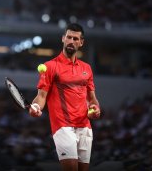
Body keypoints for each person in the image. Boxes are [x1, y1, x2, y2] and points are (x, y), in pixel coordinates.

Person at [29, 23, 101, 171]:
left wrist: (95, 108)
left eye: (75, 38)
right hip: (63, 126)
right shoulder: (50, 66)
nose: (71, 41)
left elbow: (92, 99)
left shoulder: (86, 68)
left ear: (81, 43)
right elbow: (41, 96)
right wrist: (36, 106)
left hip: (85, 127)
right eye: (69, 37)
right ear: (63, 39)